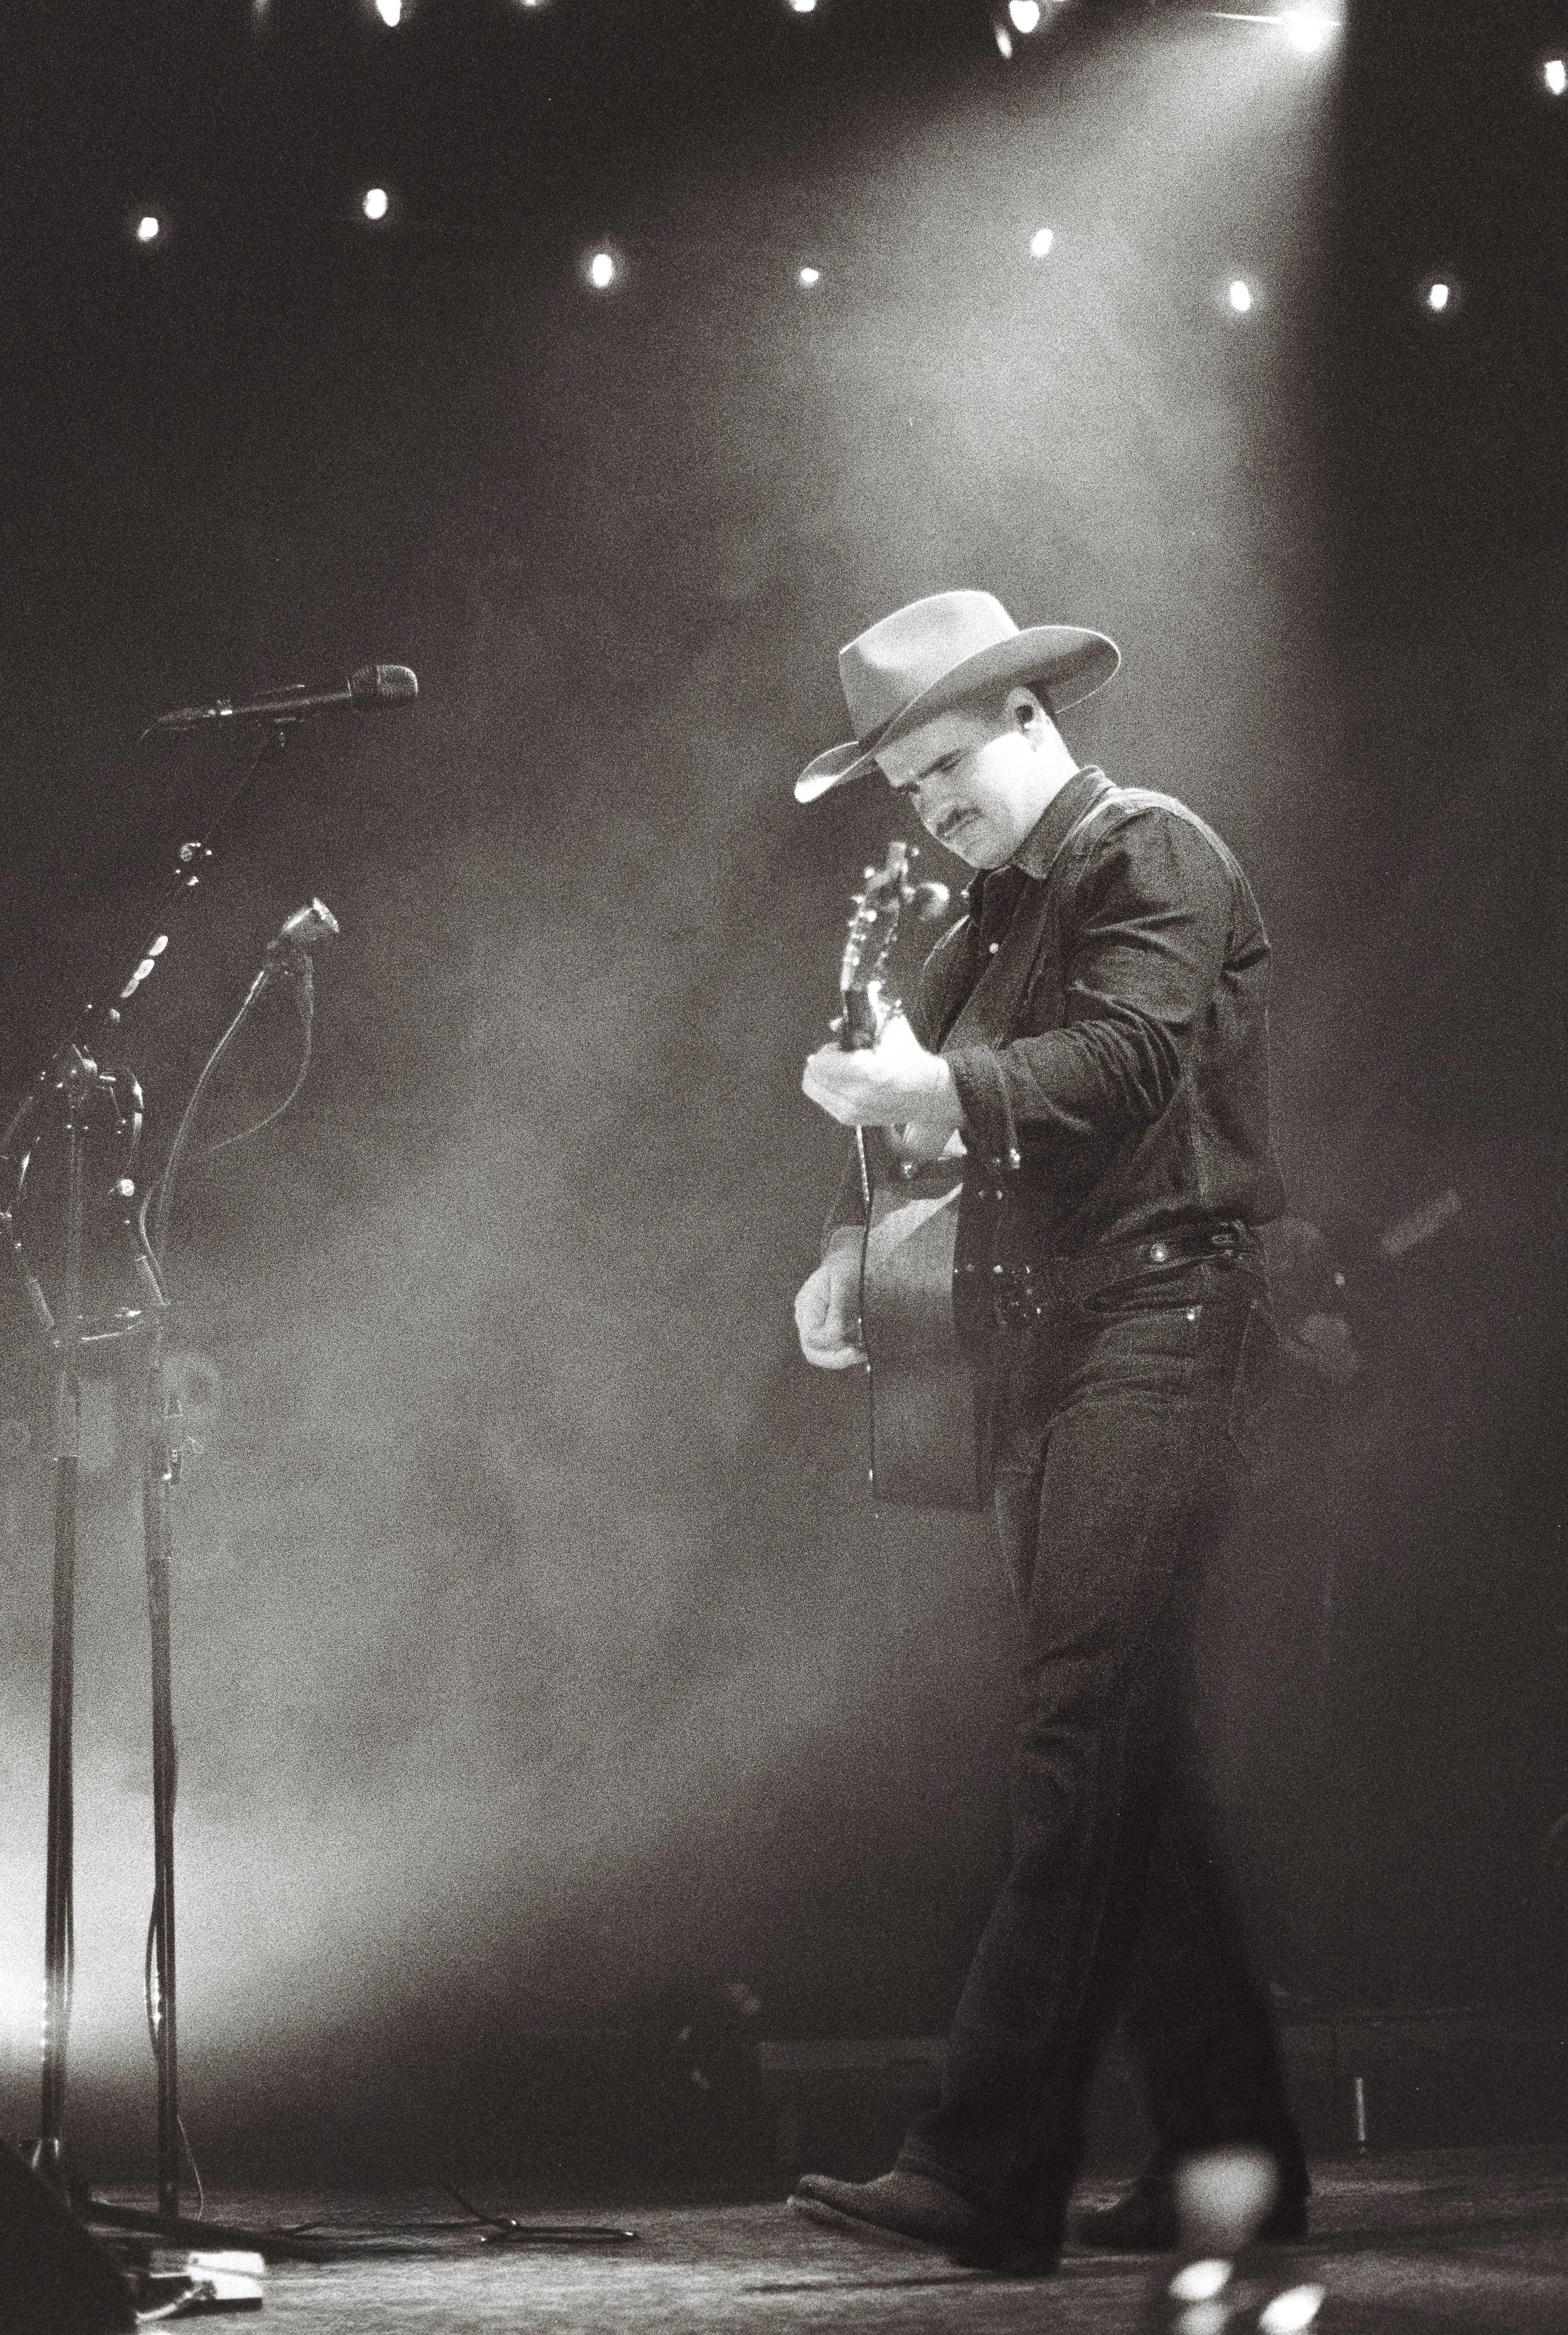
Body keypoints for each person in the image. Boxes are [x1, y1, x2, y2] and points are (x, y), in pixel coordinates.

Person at [788, 591, 1308, 2273]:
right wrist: (844, 1257)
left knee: (1083, 1733)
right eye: (908, 791)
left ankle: (982, 2166)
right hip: (1073, 1342)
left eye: (945, 771)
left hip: (1168, 1319)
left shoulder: (1151, 854)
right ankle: (1233, 2155)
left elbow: (1127, 1064)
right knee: (1124, 1767)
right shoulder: (983, 917)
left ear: (1023, 720)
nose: (933, 814)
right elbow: (928, 1131)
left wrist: (920, 1093)